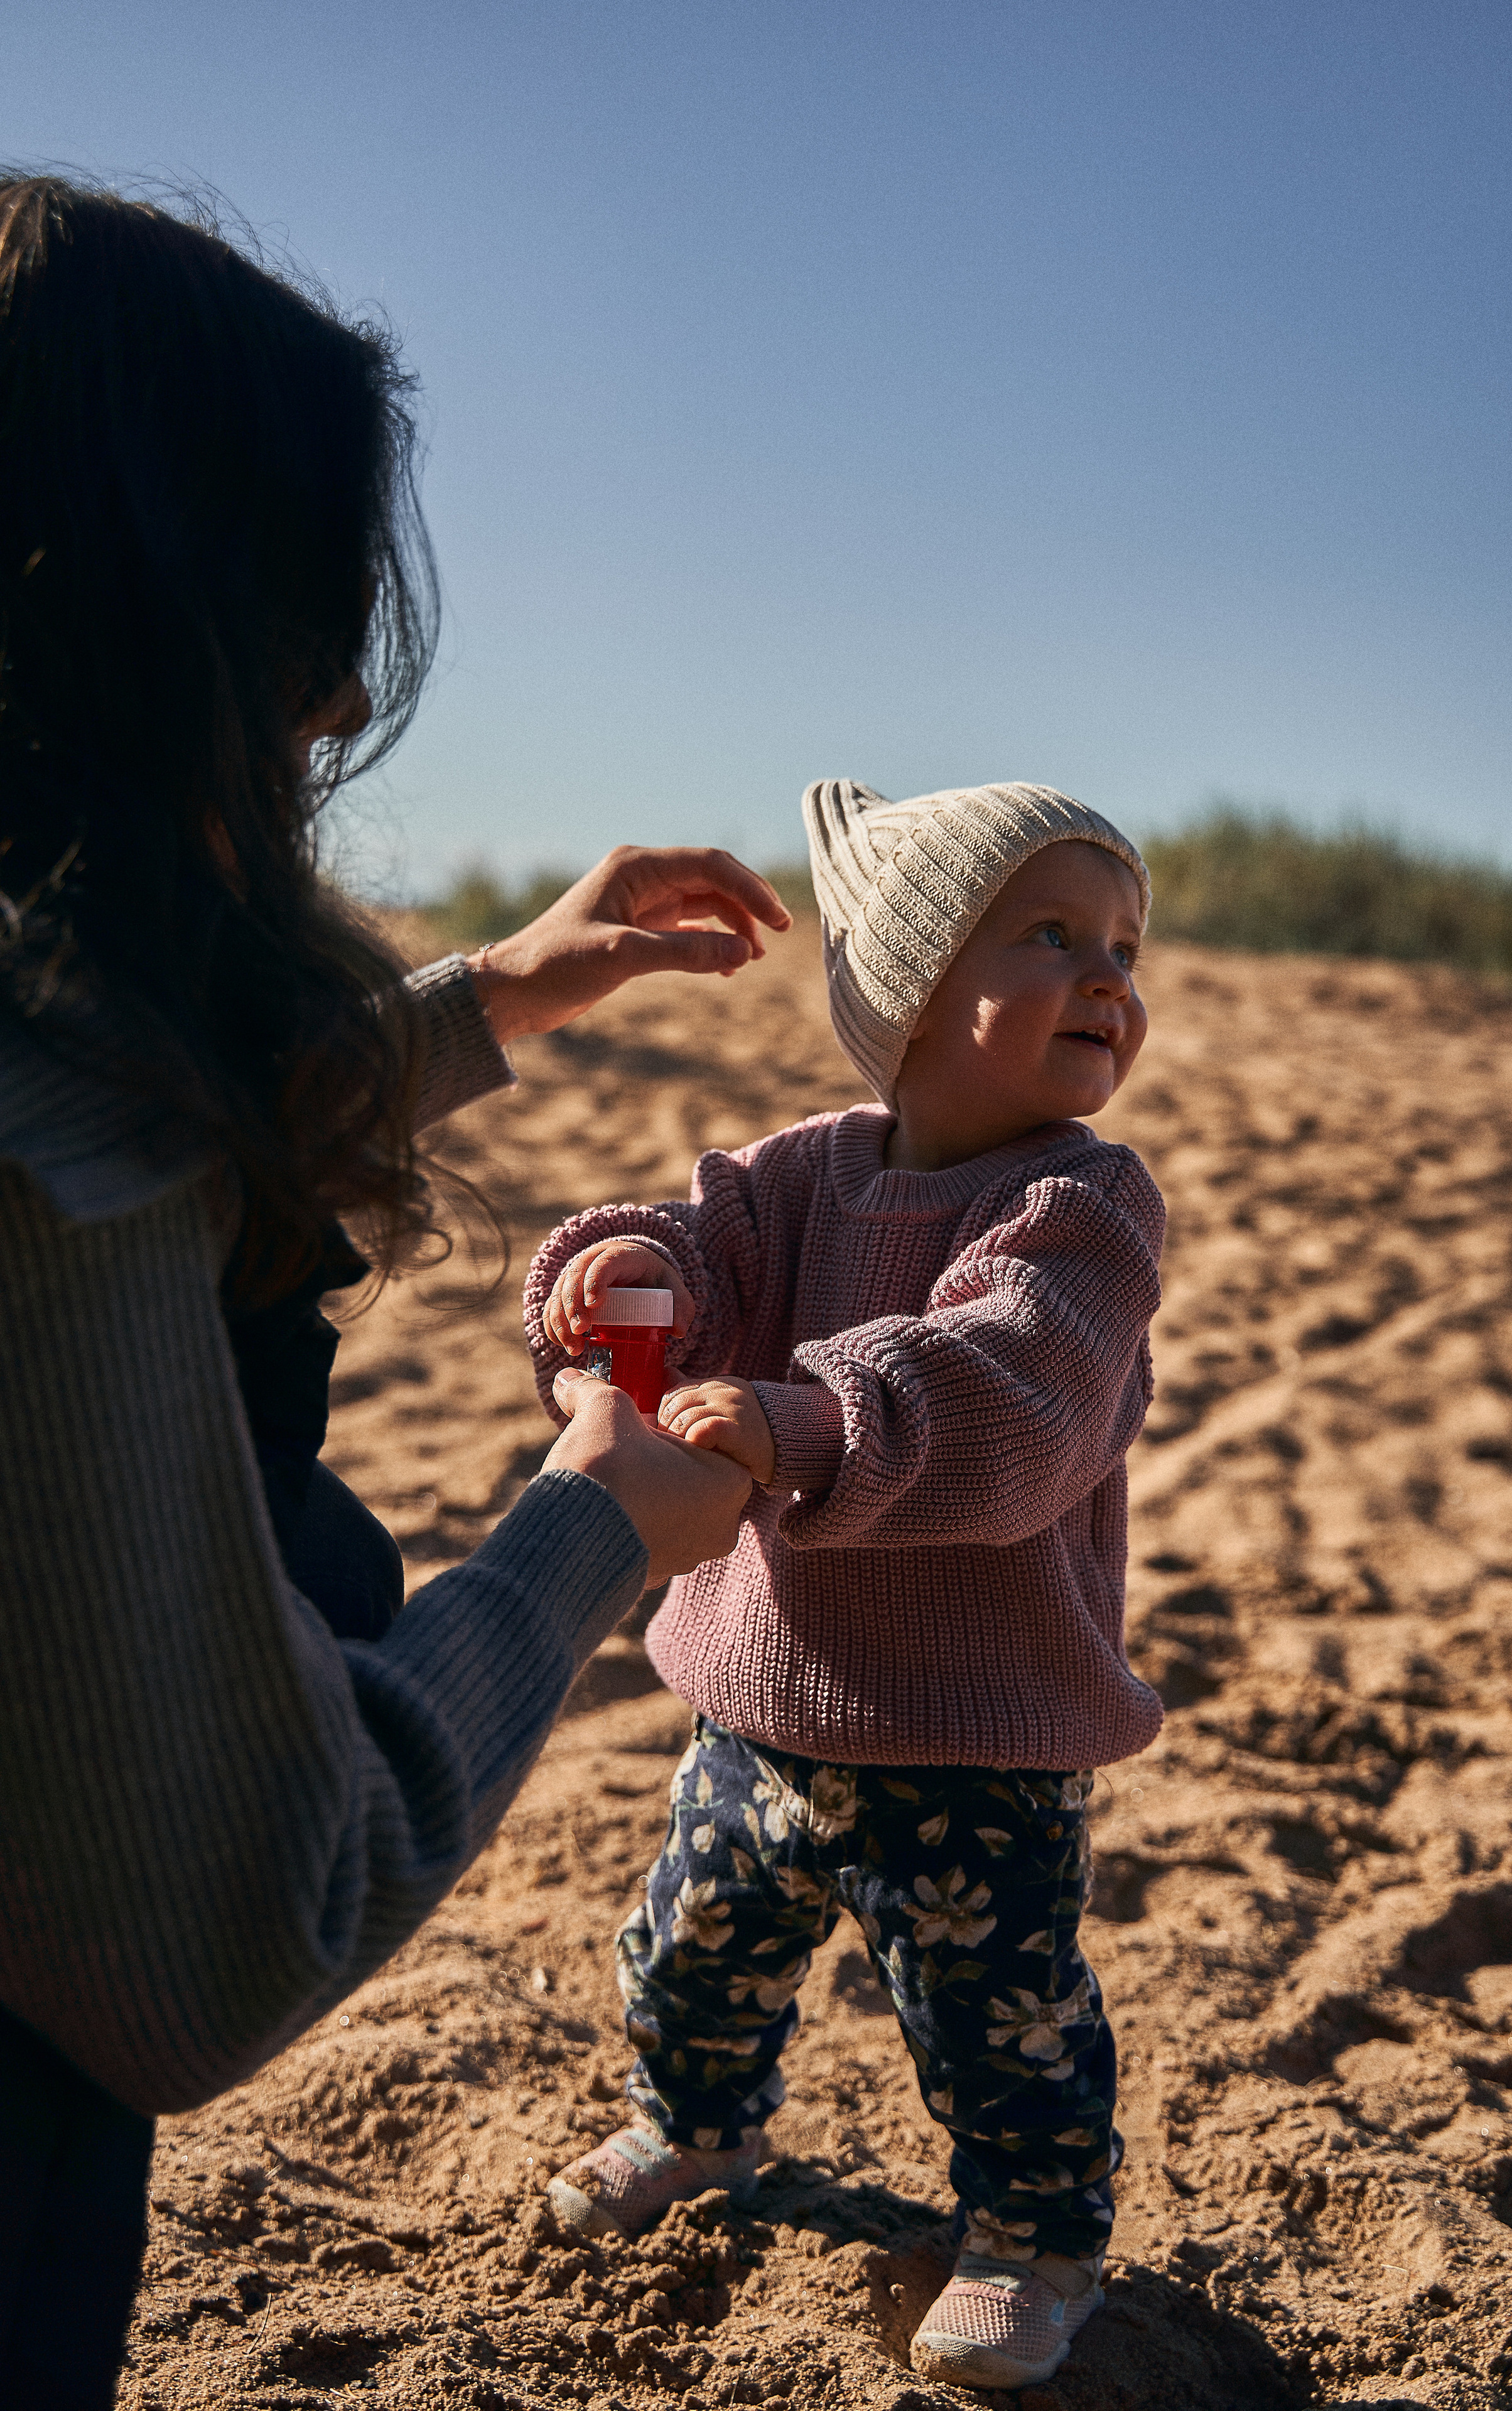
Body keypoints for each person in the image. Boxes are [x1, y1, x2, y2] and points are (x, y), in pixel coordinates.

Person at [0, 175, 786, 2410]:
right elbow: (225, 1926)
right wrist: (585, 1533)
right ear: (150, 631)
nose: (343, 695)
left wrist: (492, 995)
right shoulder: (49, 1167)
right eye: (299, 641)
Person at [525, 779, 1167, 2395]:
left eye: (1121, 949)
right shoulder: (800, 1174)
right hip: (759, 1697)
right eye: (1051, 936)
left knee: (998, 2017)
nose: (1108, 979)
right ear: (916, 989)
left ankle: (1032, 2239)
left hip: (974, 1728)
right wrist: (615, 1276)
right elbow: (697, 1251)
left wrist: (811, 1420)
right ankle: (695, 2129)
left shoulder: (1078, 1208)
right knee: (692, 1946)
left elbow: (1010, 1390)